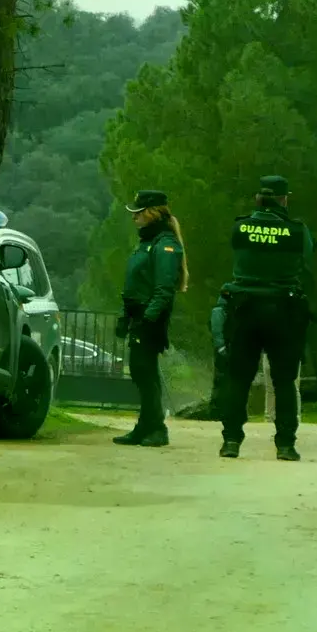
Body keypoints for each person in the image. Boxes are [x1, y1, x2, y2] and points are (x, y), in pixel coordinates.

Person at [215, 174, 314, 461]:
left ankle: (231, 441)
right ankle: (285, 444)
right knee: (284, 381)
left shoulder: (240, 226)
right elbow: (308, 256)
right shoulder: (297, 231)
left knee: (238, 379)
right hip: (283, 311)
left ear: (258, 198)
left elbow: (237, 253)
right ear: (285, 199)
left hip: (244, 309)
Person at [115, 189, 185, 447]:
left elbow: (164, 288)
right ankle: (146, 426)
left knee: (145, 373)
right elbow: (135, 282)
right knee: (141, 372)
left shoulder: (165, 244)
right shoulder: (147, 242)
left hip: (150, 316)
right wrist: (126, 315)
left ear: (151, 213)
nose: (134, 219)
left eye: (138, 214)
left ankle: (156, 428)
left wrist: (149, 318)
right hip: (139, 314)